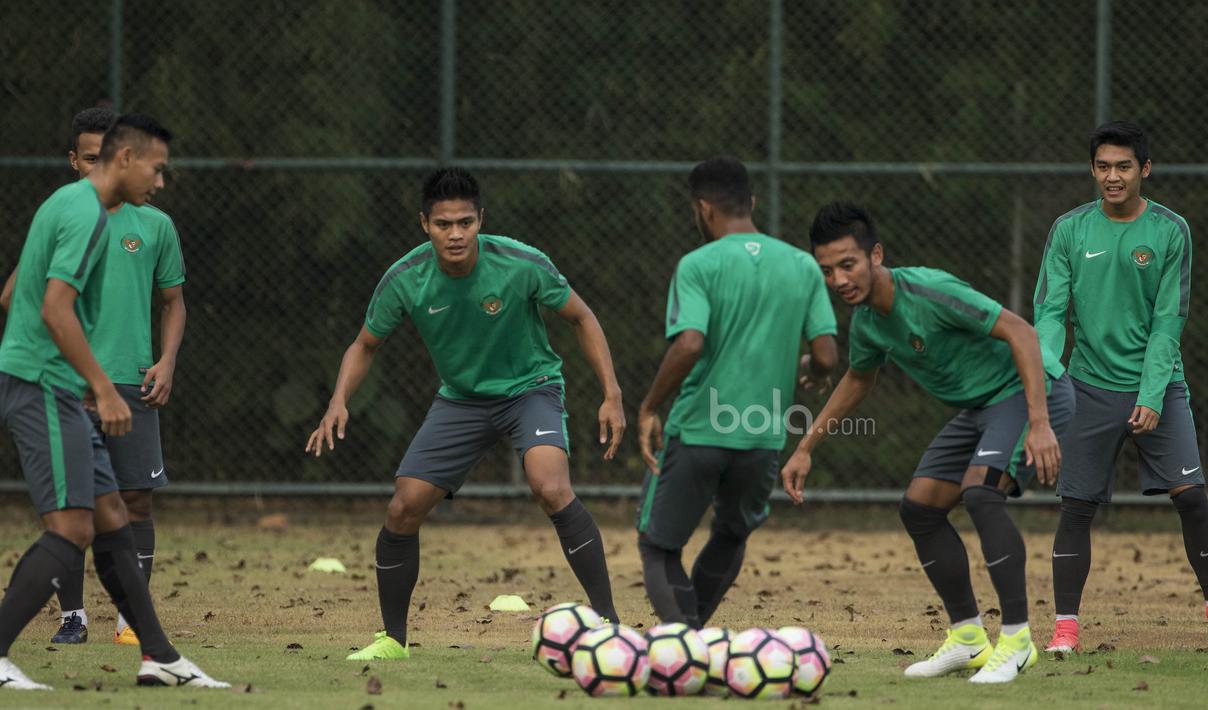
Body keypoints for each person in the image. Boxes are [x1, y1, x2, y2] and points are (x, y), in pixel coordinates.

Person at [306, 168, 626, 661]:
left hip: (530, 388)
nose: (455, 234)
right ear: (424, 224)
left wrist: (611, 393)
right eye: (443, 224)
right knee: (403, 506)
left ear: (481, 221)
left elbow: (582, 317)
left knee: (552, 486)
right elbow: (364, 344)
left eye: (465, 222)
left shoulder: (522, 263)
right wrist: (337, 401)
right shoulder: (405, 278)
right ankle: (393, 640)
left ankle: (609, 625)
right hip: (461, 399)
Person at [781, 202, 1074, 684]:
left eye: (847, 264)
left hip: (1030, 390)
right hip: (981, 407)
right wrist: (805, 448)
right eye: (827, 270)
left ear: (876, 255)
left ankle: (1018, 642)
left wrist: (1039, 422)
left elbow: (1020, 331)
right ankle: (967, 639)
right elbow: (858, 378)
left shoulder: (929, 290)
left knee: (981, 494)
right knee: (919, 507)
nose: (838, 280)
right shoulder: (869, 323)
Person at [0, 114, 225, 690]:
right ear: (124, 160)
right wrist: (102, 386)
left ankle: (159, 657)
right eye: (157, 168)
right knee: (73, 526)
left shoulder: (74, 204)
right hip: (44, 384)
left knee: (112, 516)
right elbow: (53, 308)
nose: (160, 182)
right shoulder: (83, 216)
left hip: (60, 385)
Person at [1035, 120, 1208, 652]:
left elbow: (1169, 320)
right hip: (1088, 389)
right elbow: (1051, 314)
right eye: (1103, 167)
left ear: (1144, 169)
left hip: (1159, 387)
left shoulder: (1171, 230)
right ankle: (1065, 631)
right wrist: (1046, 373)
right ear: (1092, 170)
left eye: (1123, 167)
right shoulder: (1069, 230)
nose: (1112, 177)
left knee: (1191, 498)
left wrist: (1150, 394)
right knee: (1076, 507)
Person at [636, 156, 837, 628]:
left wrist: (648, 406)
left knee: (657, 544)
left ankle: (681, 648)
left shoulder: (698, 264)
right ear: (752, 202)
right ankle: (693, 643)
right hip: (763, 438)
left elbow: (689, 343)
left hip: (699, 428)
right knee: (730, 534)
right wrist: (811, 367)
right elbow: (827, 356)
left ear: (703, 209)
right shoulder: (802, 265)